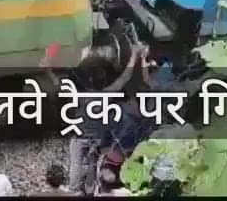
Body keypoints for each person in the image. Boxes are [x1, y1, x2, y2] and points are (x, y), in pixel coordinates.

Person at [40, 43, 147, 195]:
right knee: (94, 162)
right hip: (97, 140)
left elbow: (56, 82)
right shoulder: (107, 95)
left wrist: (47, 67)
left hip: (79, 137)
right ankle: (94, 186)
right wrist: (134, 55)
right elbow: (125, 77)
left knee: (75, 164)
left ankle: (74, 189)